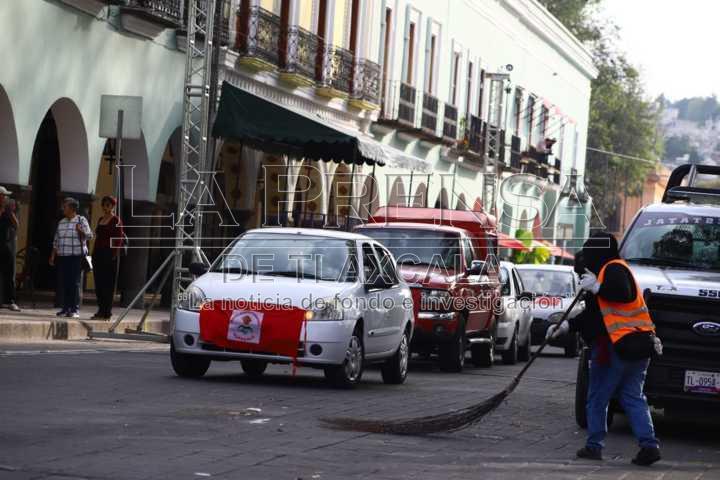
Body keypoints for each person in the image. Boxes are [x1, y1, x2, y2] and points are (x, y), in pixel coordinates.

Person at [547, 232, 662, 467]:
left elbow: (622, 293)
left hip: (614, 348)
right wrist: (566, 326)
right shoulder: (609, 272)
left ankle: (594, 446)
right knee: (633, 397)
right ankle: (649, 446)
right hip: (638, 346)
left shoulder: (613, 269)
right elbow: (593, 315)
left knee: (598, 397)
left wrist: (598, 287)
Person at [50, 198, 93, 318]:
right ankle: (65, 308)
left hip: (76, 256)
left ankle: (74, 309)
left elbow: (90, 236)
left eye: (65, 206)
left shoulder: (81, 220)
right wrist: (52, 255)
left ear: (72, 208)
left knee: (74, 283)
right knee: (65, 283)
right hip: (63, 256)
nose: (63, 208)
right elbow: (56, 240)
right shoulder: (61, 222)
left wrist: (81, 231)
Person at [91, 196, 124, 319]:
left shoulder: (116, 220)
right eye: (104, 205)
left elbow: (119, 239)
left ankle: (107, 312)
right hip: (98, 253)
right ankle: (100, 309)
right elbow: (98, 237)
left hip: (109, 254)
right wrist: (93, 253)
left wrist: (113, 254)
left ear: (113, 206)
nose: (105, 207)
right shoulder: (100, 219)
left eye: (108, 205)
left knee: (108, 284)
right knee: (98, 283)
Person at [0, 186, 20, 312]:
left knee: (9, 274)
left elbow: (16, 225)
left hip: (8, 246)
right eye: (4, 195)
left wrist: (10, 212)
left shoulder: (10, 208)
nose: (6, 197)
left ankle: (10, 301)